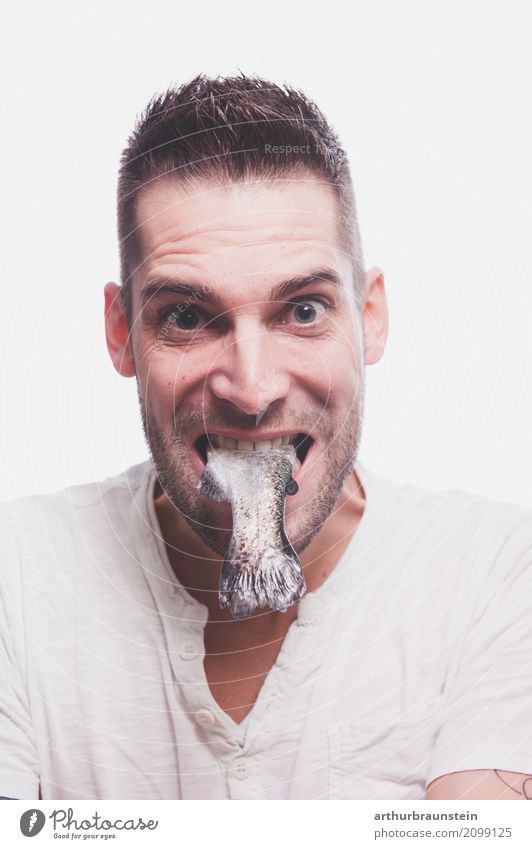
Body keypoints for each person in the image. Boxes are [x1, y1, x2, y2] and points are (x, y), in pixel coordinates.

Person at [1, 74, 531, 802]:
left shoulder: (501, 576)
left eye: (304, 309)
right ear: (122, 334)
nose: (251, 391)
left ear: (370, 316)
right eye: (187, 316)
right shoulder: (18, 581)